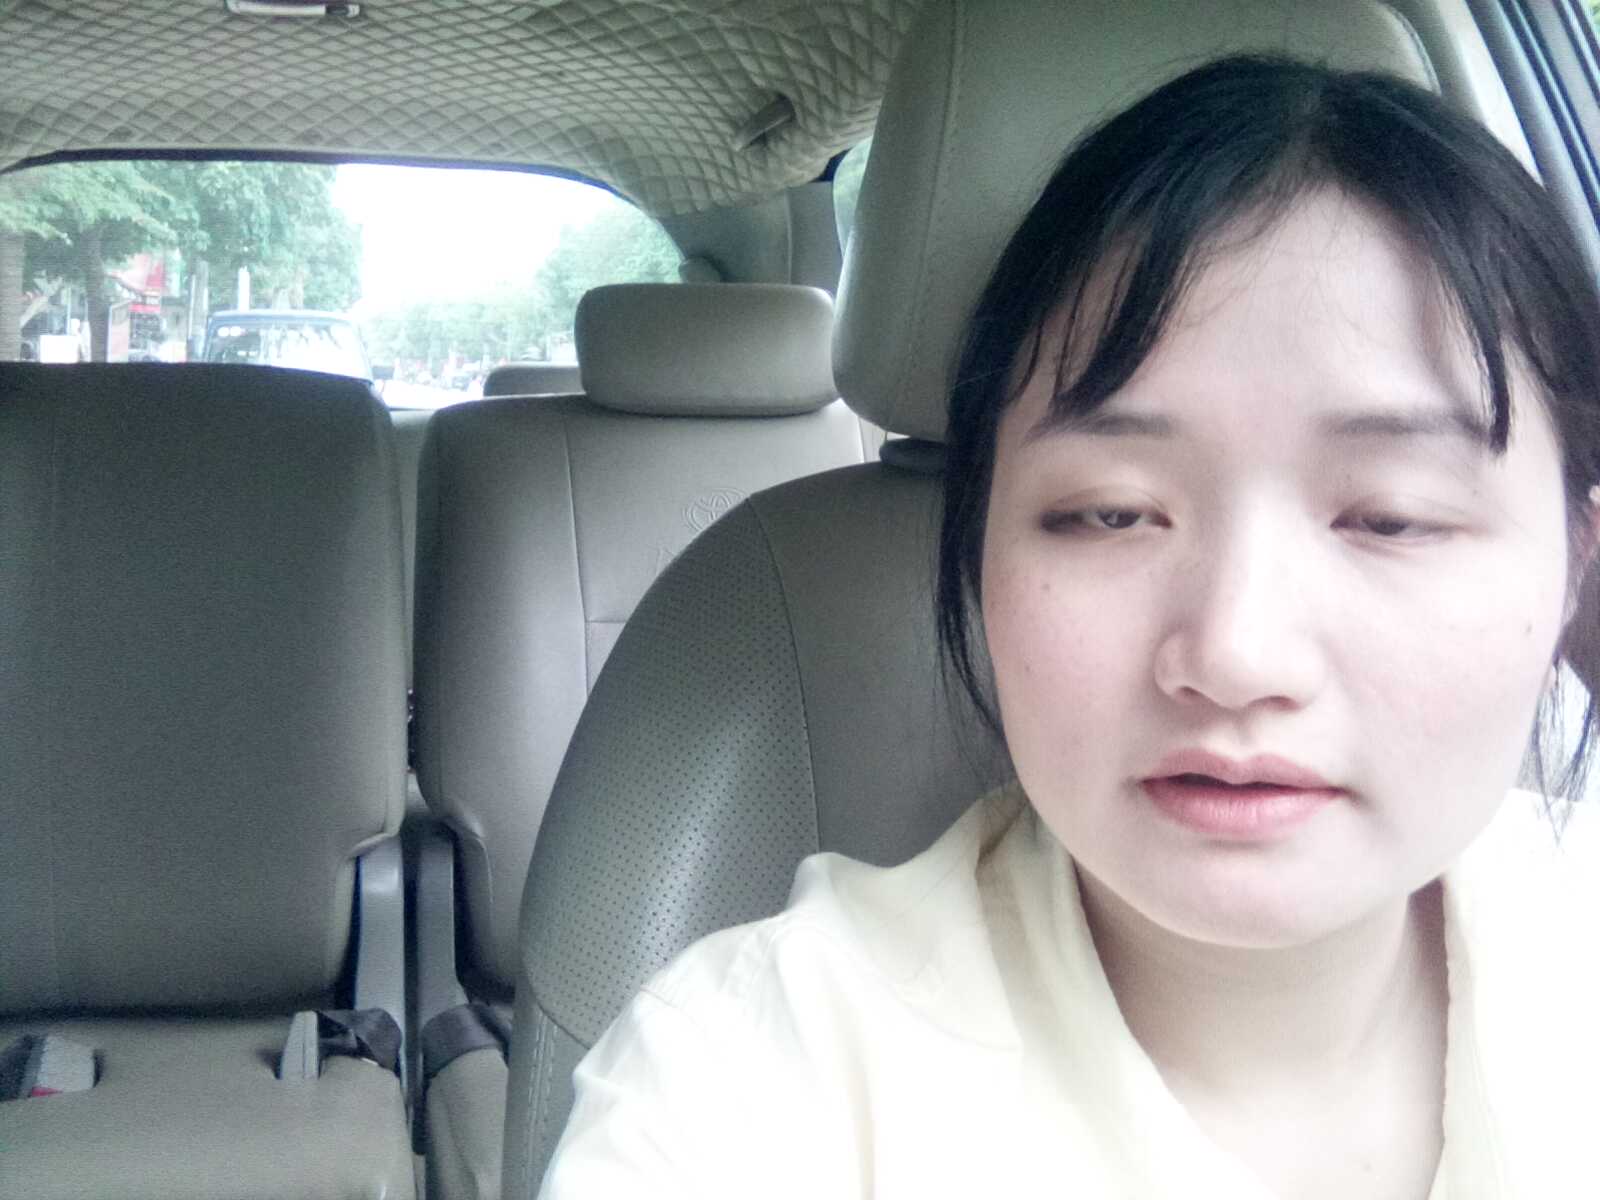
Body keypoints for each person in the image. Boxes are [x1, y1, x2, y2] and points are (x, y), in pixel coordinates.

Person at [538, 56, 1600, 1198]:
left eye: (1392, 518)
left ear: (1575, 564)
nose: (1236, 656)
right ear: (978, 549)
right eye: (1110, 513)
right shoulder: (743, 1087)